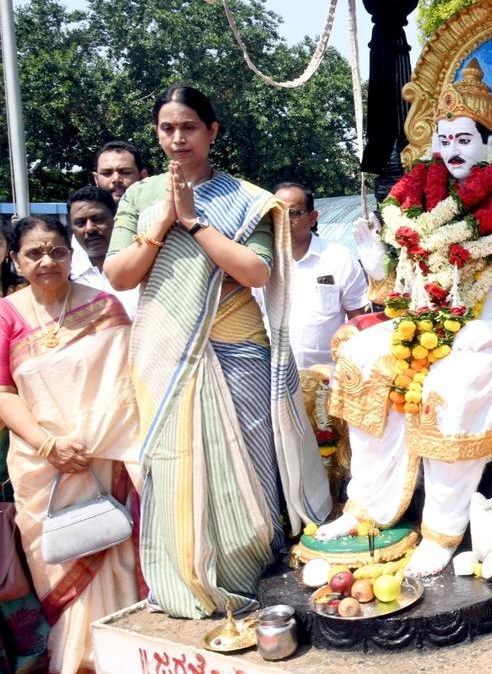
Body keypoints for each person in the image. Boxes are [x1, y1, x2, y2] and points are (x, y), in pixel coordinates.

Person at [318, 59, 492, 577]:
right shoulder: (417, 211)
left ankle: (441, 529)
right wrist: (374, 255)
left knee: (449, 388)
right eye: (445, 140)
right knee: (361, 360)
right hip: (419, 322)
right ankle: (365, 506)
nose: (453, 150)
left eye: (464, 139)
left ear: (489, 143)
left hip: (487, 336)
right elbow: (398, 289)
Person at [104, 85, 331, 619]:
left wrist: (193, 222)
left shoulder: (245, 197)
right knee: (172, 459)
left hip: (237, 346)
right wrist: (159, 226)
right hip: (167, 348)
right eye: (167, 128)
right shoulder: (140, 197)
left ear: (212, 132)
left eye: (188, 127)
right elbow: (119, 274)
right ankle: (184, 578)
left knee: (251, 462)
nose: (177, 138)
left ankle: (253, 576)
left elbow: (256, 271)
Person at [0, 215, 142, 674]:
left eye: (58, 251)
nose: (47, 260)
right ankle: (79, 661)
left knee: (117, 554)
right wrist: (49, 447)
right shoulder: (5, 316)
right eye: (35, 253)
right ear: (17, 261)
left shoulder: (105, 307)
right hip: (43, 468)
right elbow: (2, 393)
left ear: (71, 255)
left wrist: (93, 441)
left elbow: (127, 390)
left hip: (108, 460)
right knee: (59, 562)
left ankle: (124, 652)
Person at [274, 182, 369, 368]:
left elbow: (357, 320)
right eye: (277, 214)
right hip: (274, 376)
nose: (284, 222)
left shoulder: (338, 258)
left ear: (312, 218)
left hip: (328, 376)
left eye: (293, 213)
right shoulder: (263, 262)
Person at [66, 186, 139, 317]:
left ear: (117, 219)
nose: (90, 228)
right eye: (80, 223)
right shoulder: (66, 275)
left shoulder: (143, 264)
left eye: (98, 219)